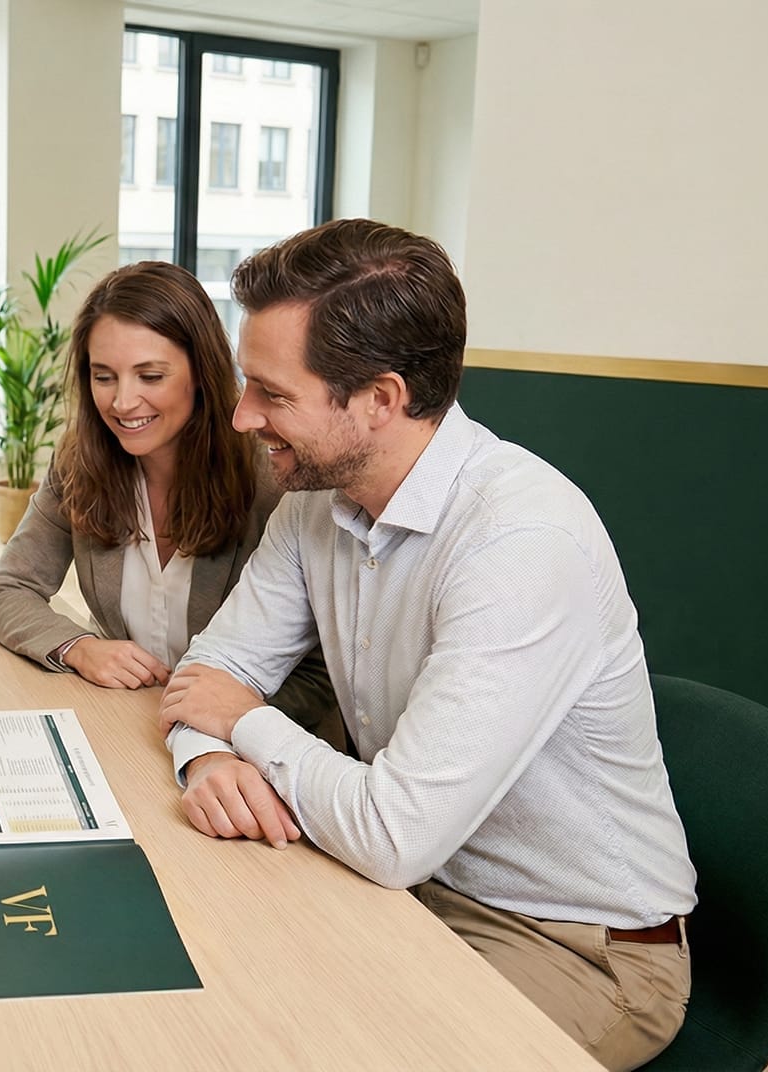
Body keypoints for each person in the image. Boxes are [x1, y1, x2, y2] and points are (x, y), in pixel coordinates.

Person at [156, 218, 696, 1071]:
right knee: (213, 999)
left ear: (379, 397)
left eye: (271, 392)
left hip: (578, 950)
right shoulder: (312, 499)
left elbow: (392, 832)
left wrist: (247, 725)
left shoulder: (520, 541)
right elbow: (207, 677)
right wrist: (207, 759)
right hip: (410, 887)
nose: (240, 415)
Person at [0, 261, 342, 785]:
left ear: (200, 371)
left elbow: (318, 675)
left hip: (256, 767)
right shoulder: (80, 462)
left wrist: (207, 727)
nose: (122, 402)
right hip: (130, 739)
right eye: (103, 376)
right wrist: (79, 647)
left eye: (150, 376)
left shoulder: (272, 478)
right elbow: (7, 590)